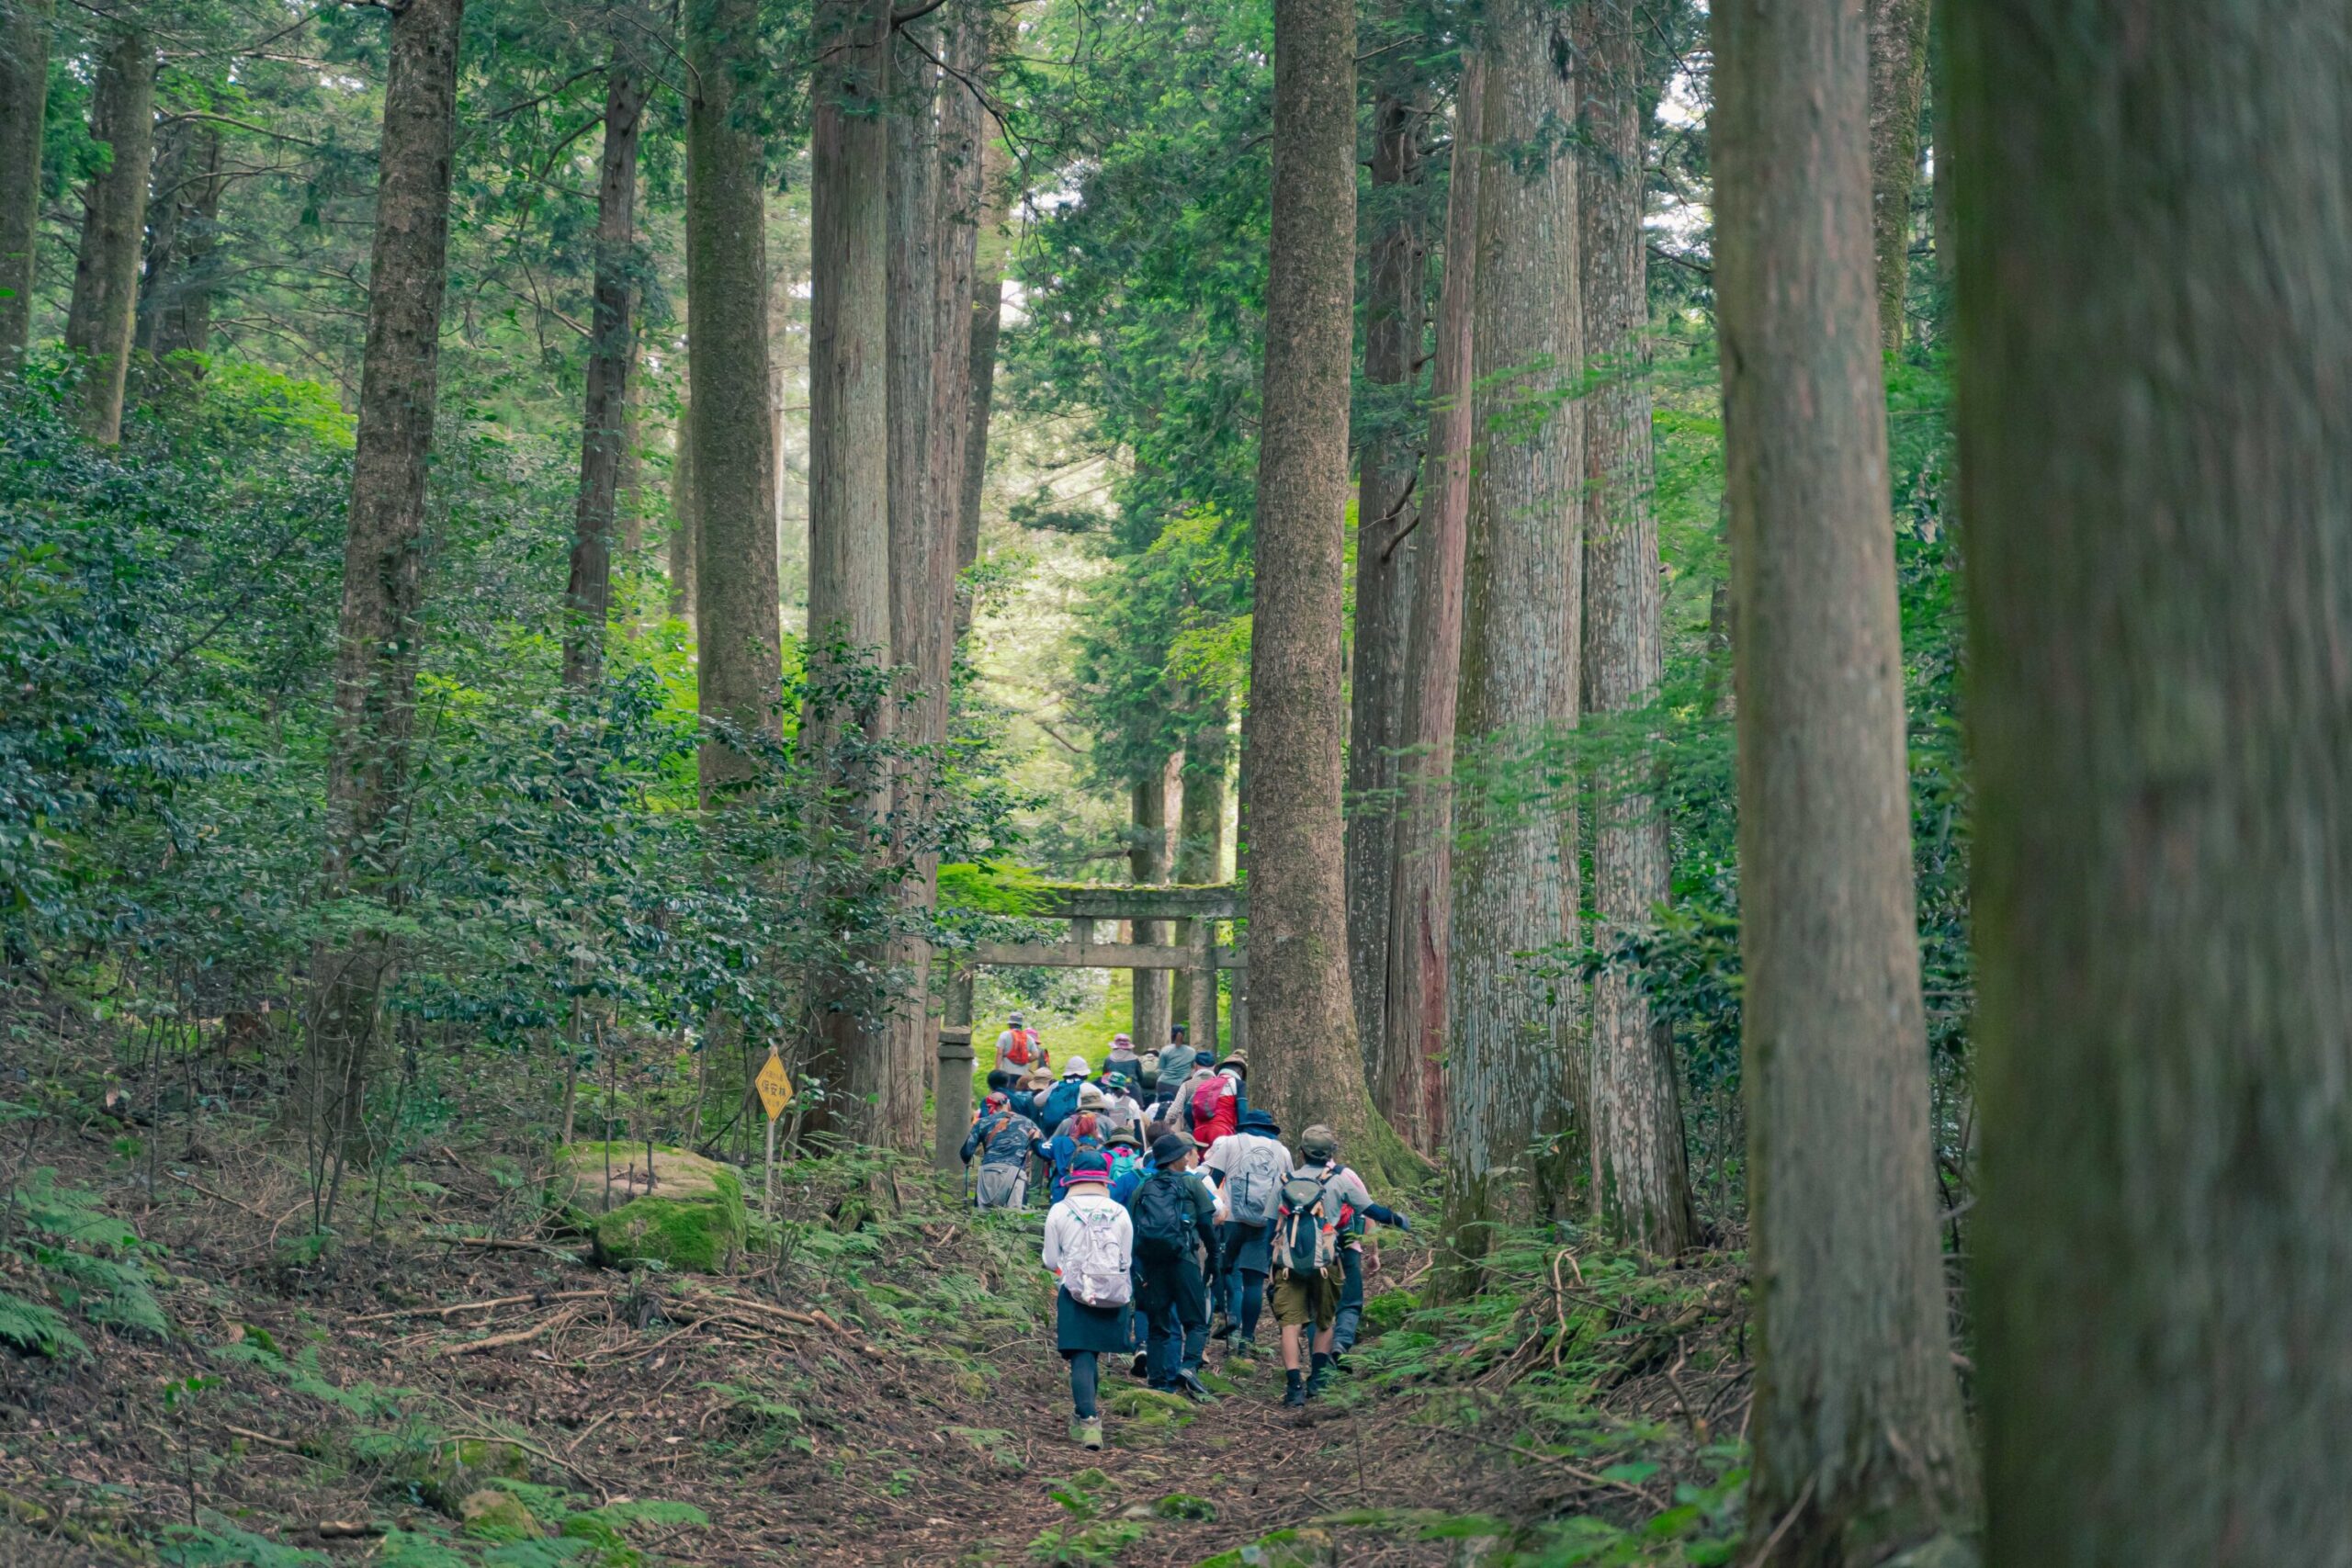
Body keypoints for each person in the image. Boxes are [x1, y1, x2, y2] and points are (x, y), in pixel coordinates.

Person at [1042, 1151, 1134, 1450]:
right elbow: (1126, 1258)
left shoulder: (1060, 1209)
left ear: (1074, 1176)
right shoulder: (1119, 1211)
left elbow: (1049, 1260)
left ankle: (1089, 1420)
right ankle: (1087, 1416)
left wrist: (1066, 1270)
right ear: (1104, 1178)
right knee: (1091, 1352)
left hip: (1075, 1290)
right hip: (1113, 1291)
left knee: (1082, 1354)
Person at [1126, 1132, 1219, 1402]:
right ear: (1177, 1159)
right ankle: (1189, 1367)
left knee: (1158, 1323)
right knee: (1196, 1321)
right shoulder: (1192, 1185)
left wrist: (1138, 1267)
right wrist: (1214, 1256)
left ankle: (1158, 1381)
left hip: (1154, 1265)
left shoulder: (1143, 1187)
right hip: (1185, 1260)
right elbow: (1206, 1224)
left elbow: (1134, 1227)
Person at [1202, 1108, 1292, 1353]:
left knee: (1225, 1267)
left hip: (1230, 1216)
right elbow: (1287, 1185)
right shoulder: (1282, 1151)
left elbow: (1212, 1180)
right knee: (1254, 1281)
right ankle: (1247, 1340)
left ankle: (1229, 1314)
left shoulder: (1231, 1143)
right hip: (1264, 1221)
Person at [960, 1091, 1048, 1210]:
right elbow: (1043, 1149)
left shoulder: (982, 1122)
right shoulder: (1028, 1123)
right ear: (1008, 1104)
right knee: (1014, 1220)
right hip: (1015, 1173)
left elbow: (966, 1153)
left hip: (988, 1172)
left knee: (984, 1219)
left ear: (990, 1108)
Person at [1046, 1087, 1111, 1202]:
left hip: (1068, 1175)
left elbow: (1049, 1145)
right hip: (1099, 1174)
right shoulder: (1106, 1121)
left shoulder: (1067, 1122)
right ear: (1100, 1108)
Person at [1186, 1052, 1247, 1151]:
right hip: (1223, 1133)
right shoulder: (1238, 1084)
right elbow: (1242, 1111)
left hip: (1199, 1134)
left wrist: (1196, 1127)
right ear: (1240, 1072)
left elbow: (1188, 1111)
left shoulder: (1205, 1084)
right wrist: (1243, 1136)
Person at [992, 1011, 1047, 1090]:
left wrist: (997, 1071)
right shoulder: (1029, 1038)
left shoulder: (1004, 1035)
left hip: (1007, 1073)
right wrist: (1024, 1060)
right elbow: (1036, 1055)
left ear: (1010, 1024)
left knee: (1007, 1095)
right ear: (1020, 1024)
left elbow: (1000, 1053)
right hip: (1022, 1075)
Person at [1037, 1055, 1090, 1134]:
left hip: (1051, 1129)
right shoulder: (1086, 1086)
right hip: (1072, 1130)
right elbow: (1109, 1105)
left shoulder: (1057, 1085)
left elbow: (1037, 1101)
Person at [1098, 1072, 1147, 1137]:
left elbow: (1137, 1125)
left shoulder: (1131, 1103)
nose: (1114, 1090)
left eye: (1115, 1088)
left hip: (1122, 1138)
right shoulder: (1105, 1101)